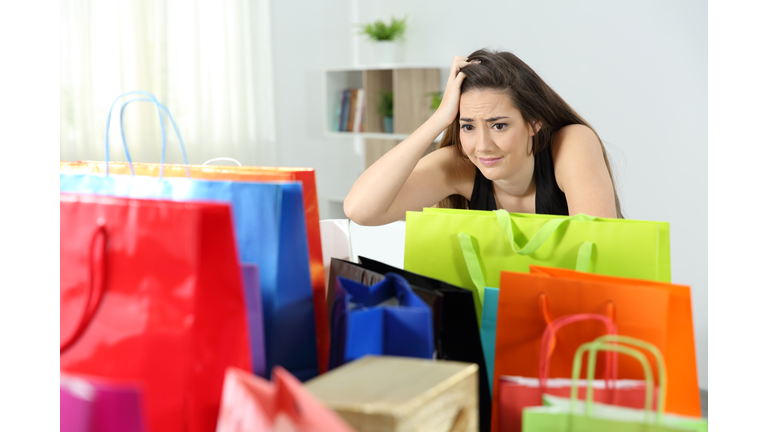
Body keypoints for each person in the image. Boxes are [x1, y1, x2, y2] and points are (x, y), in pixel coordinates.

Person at [344, 49, 623, 226]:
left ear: (534, 123)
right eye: (468, 127)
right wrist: (440, 119)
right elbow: (360, 210)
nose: (482, 147)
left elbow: (597, 248)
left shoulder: (571, 143)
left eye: (499, 126)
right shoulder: (460, 164)